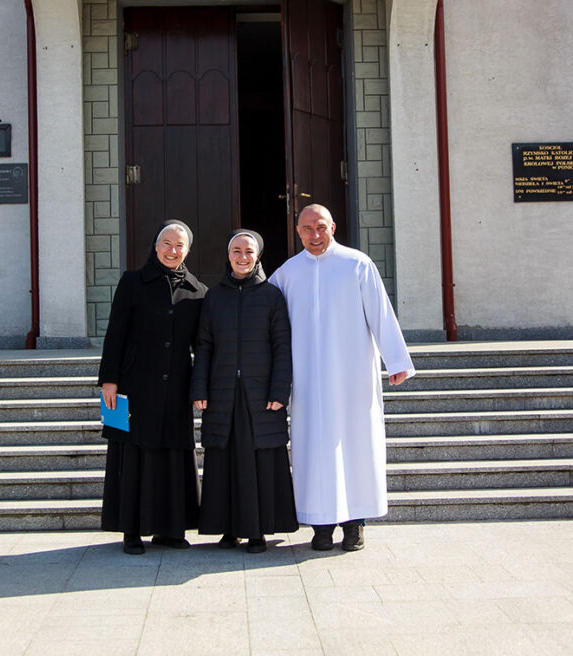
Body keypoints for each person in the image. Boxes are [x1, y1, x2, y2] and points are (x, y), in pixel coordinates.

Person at [269, 204, 415, 552]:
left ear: (332, 227)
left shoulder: (357, 264)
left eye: (321, 227)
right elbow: (266, 318)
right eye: (307, 229)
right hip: (307, 379)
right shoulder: (287, 273)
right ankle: (321, 526)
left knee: (356, 446)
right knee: (313, 450)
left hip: (353, 376)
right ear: (297, 231)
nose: (315, 235)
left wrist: (395, 359)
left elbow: (381, 312)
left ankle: (355, 524)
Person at [98, 220, 207, 554]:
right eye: (166, 244)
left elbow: (201, 346)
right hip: (132, 386)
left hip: (176, 388)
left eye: (179, 245)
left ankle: (170, 530)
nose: (172, 250)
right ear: (156, 246)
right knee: (131, 455)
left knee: (172, 456)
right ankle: (131, 531)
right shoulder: (132, 281)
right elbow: (115, 332)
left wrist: (200, 387)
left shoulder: (198, 291)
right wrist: (108, 380)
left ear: (188, 250)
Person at [190, 230, 298, 553]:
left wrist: (279, 390)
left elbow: (282, 346)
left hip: (260, 394)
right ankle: (228, 528)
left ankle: (257, 531)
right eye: (236, 251)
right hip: (223, 392)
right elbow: (204, 345)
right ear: (228, 255)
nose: (242, 257)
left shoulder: (271, 296)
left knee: (259, 462)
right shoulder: (214, 297)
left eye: (248, 251)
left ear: (258, 256)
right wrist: (199, 386)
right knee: (224, 461)